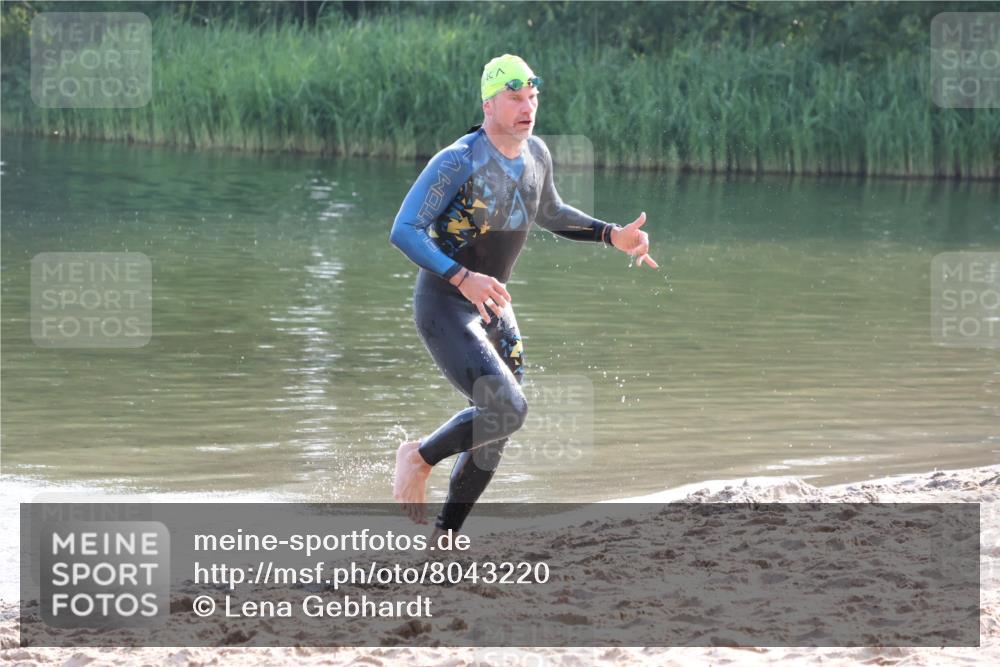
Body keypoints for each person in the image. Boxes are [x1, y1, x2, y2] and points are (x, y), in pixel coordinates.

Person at [389, 54, 657, 542]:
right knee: (507, 407)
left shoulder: (536, 154)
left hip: (493, 308)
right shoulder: (457, 159)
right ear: (489, 103)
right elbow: (403, 230)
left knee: (497, 427)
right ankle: (419, 456)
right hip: (446, 304)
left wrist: (610, 235)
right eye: (515, 98)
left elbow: (550, 211)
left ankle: (443, 540)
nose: (527, 107)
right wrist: (461, 276)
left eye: (532, 97)